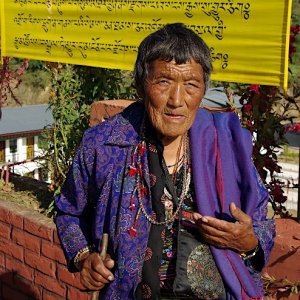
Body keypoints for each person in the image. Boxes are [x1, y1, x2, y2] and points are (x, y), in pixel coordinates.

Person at [55, 23, 275, 299]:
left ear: (203, 88)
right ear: (140, 84)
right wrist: (83, 256)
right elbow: (68, 212)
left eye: (191, 85)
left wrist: (249, 243)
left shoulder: (225, 144)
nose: (177, 100)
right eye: (163, 81)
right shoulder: (104, 145)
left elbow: (263, 222)